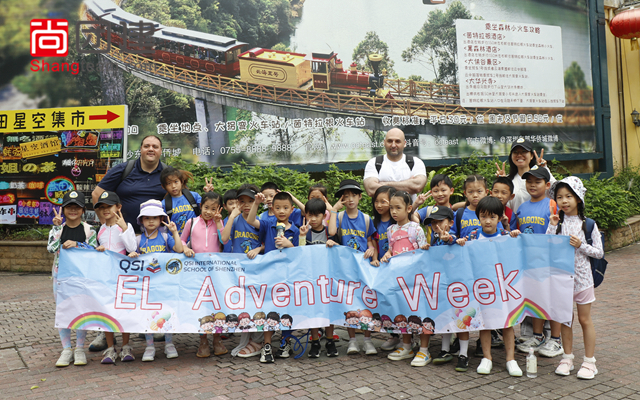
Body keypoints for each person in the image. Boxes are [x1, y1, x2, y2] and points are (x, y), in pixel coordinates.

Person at [456, 197, 522, 376]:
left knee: (507, 323)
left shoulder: (507, 236)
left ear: (500, 218)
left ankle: (511, 359)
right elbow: (462, 254)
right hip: (482, 288)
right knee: (484, 323)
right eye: (483, 216)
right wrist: (460, 243)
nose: (487, 221)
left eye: (492, 217)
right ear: (478, 217)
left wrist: (515, 237)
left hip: (503, 288)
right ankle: (487, 358)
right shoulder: (473, 236)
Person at [547, 177, 603, 379]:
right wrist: (553, 226)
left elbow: (599, 252)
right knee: (565, 320)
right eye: (560, 197)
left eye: (569, 196)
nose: (564, 201)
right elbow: (548, 246)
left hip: (583, 278)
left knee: (584, 319)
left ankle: (589, 362)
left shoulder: (588, 224)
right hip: (561, 279)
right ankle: (567, 358)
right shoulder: (556, 222)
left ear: (578, 199)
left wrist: (581, 245)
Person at [515, 166, 564, 357]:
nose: (532, 185)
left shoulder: (553, 205)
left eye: (537, 181)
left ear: (547, 184)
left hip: (551, 262)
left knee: (554, 300)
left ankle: (556, 340)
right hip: (529, 263)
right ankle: (538, 336)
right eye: (529, 181)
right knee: (535, 299)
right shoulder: (522, 207)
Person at [247, 191, 300, 363]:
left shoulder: (296, 230)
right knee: (268, 310)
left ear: (292, 209)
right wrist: (255, 203)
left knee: (287, 310)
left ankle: (285, 342)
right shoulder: (268, 224)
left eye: (285, 207)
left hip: (288, 277)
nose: (281, 211)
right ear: (272, 208)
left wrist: (289, 244)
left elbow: (302, 254)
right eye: (277, 207)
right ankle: (267, 345)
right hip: (269, 276)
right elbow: (250, 220)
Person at [128, 200, 184, 362]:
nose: (151, 221)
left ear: (161, 219)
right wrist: (132, 255)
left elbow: (179, 249)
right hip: (146, 286)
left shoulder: (166, 237)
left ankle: (169, 343)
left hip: (165, 284)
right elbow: (131, 258)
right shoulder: (137, 240)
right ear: (141, 220)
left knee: (167, 313)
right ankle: (150, 346)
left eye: (155, 217)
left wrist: (175, 232)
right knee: (147, 314)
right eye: (147, 218)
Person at [380, 191, 431, 367]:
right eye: (391, 208)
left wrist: (424, 248)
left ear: (409, 208)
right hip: (399, 280)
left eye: (398, 208)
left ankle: (424, 350)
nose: (394, 211)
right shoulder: (390, 230)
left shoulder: (416, 228)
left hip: (416, 280)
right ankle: (407, 345)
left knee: (422, 313)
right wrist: (387, 254)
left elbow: (424, 250)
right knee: (404, 313)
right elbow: (392, 249)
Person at [48, 191, 98, 367]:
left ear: (83, 210)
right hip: (60, 277)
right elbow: (51, 248)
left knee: (81, 310)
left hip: (82, 277)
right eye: (69, 207)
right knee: (63, 310)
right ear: (63, 209)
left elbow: (95, 251)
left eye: (76, 207)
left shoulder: (89, 230)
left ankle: (79, 349)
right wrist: (55, 228)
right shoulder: (59, 229)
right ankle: (66, 349)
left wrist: (79, 245)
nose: (73, 210)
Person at [327, 179, 377, 355]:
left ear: (360, 197)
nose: (349, 199)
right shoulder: (340, 217)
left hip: (362, 268)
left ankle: (368, 340)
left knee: (365, 303)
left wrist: (372, 252)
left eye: (353, 195)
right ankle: (353, 341)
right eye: (345, 196)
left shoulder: (366, 218)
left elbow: (371, 241)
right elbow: (332, 232)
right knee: (349, 304)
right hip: (345, 269)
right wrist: (334, 210)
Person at [421, 206, 469, 371]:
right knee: (445, 317)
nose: (436, 225)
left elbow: (451, 240)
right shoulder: (434, 239)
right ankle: (444, 350)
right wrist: (428, 248)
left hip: (457, 286)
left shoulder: (452, 237)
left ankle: (463, 354)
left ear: (449, 222)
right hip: (442, 285)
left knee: (460, 318)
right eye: (433, 222)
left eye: (439, 221)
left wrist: (447, 238)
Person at [181, 191, 227, 358]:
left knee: (217, 304)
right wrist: (186, 248)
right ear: (201, 206)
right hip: (196, 271)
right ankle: (203, 340)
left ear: (219, 209)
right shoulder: (191, 222)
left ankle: (217, 339)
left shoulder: (219, 222)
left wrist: (219, 223)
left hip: (216, 271)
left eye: (213, 208)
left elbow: (225, 241)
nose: (209, 211)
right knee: (201, 305)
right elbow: (181, 240)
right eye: (206, 207)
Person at [93, 191, 137, 364]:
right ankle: (110, 348)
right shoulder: (100, 230)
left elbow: (132, 247)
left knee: (124, 311)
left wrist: (124, 228)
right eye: (101, 207)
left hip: (123, 277)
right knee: (107, 312)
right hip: (105, 277)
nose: (105, 210)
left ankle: (126, 346)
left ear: (118, 207)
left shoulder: (126, 227)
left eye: (108, 206)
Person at [92, 135, 167, 233]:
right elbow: (97, 194)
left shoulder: (168, 174)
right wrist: (105, 222)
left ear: (161, 151)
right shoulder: (124, 169)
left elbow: (178, 200)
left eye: (155, 147)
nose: (151, 149)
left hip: (157, 238)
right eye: (146, 146)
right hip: (121, 235)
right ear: (140, 149)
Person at [298, 198, 338, 358]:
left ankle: (330, 340)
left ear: (324, 215)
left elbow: (341, 252)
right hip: (310, 279)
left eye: (317, 215)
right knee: (312, 310)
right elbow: (298, 253)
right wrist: (302, 236)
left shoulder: (330, 231)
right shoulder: (304, 232)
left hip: (327, 279)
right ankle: (315, 341)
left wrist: (333, 244)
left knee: (329, 310)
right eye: (310, 215)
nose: (313, 219)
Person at [363, 127, 427, 202]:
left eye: (397, 141)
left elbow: (417, 186)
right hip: (382, 213)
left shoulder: (415, 162)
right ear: (384, 142)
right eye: (390, 141)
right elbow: (371, 189)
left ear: (404, 143)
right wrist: (407, 184)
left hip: (410, 213)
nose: (393, 145)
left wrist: (382, 184)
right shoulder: (374, 163)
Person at [160, 166, 202, 236]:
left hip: (196, 238)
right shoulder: (164, 204)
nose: (173, 186)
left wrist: (209, 193)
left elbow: (206, 209)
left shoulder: (194, 196)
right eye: (169, 183)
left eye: (176, 181)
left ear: (181, 181)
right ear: (163, 186)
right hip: (176, 241)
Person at [370, 186, 396, 268]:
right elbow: (373, 243)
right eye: (376, 201)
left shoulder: (397, 222)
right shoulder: (373, 223)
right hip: (380, 265)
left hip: (395, 263)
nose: (378, 205)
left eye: (383, 202)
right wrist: (374, 259)